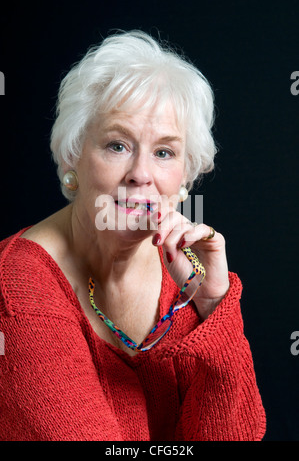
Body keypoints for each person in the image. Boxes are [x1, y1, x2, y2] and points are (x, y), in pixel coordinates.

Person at [0, 30, 266, 441]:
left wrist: (214, 304)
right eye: (117, 145)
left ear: (184, 175)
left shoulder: (188, 272)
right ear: (73, 154)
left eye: (164, 152)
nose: (141, 174)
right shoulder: (16, 292)